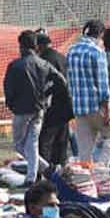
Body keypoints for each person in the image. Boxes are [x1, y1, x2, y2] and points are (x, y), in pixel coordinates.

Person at [3, 30, 61, 185]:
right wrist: (47, 95)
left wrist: (11, 104)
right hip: (39, 108)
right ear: (36, 46)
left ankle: (34, 175)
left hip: (22, 110)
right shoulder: (44, 64)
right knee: (32, 143)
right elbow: (60, 81)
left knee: (19, 144)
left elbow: (8, 88)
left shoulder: (15, 66)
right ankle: (43, 171)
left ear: (21, 46)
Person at [67, 19, 110, 166]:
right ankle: (101, 169)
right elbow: (103, 86)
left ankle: (85, 178)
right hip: (97, 107)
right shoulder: (97, 52)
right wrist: (108, 110)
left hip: (79, 108)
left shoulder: (71, 51)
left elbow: (70, 81)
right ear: (101, 35)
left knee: (84, 150)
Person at [35, 31, 73, 169]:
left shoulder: (44, 60)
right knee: (62, 139)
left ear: (39, 46)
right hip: (67, 104)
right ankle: (61, 168)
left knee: (45, 140)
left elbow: (46, 85)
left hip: (53, 106)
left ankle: (45, 170)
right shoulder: (62, 57)